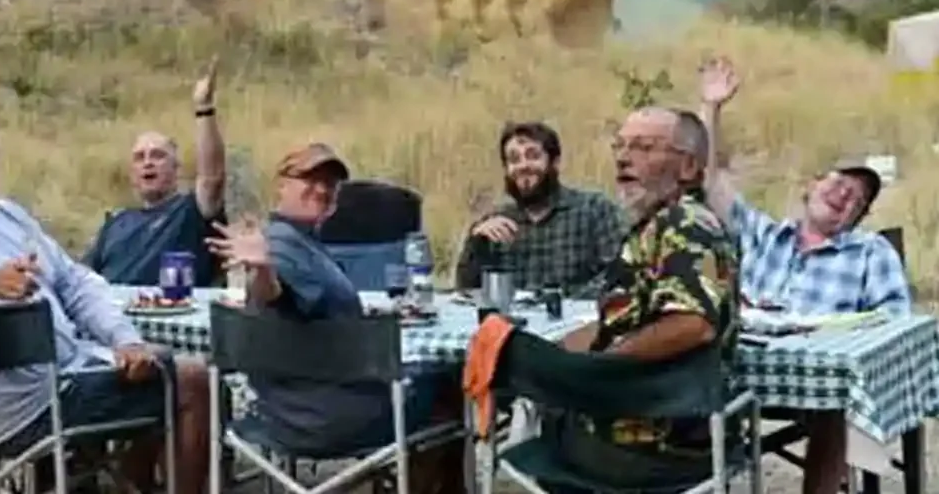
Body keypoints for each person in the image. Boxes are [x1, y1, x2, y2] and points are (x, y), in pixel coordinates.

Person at [0, 106, 210, 494]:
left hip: (69, 379)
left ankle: (119, 479)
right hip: (28, 409)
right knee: (193, 381)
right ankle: (126, 479)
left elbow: (76, 283)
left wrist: (124, 339)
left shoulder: (10, 216)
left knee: (154, 361)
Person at [694, 57, 910, 494]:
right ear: (809, 187)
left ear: (856, 218)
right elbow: (708, 177)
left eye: (858, 197)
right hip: (744, 367)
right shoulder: (762, 234)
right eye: (839, 181)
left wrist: (835, 336)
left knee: (834, 395)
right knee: (679, 367)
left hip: (817, 378)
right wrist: (710, 109)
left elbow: (895, 322)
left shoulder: (870, 251)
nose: (846, 193)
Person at [209, 143, 461, 494]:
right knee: (451, 380)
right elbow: (273, 295)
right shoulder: (282, 246)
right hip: (331, 418)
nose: (322, 189)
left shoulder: (303, 242)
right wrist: (263, 271)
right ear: (281, 185)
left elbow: (296, 310)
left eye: (330, 183)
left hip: (279, 413)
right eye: (309, 179)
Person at [551, 107, 739, 486]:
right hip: (658, 426)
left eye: (643, 147)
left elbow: (693, 324)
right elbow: (629, 320)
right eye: (620, 145)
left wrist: (599, 366)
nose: (623, 157)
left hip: (651, 440)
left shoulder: (683, 223)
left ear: (687, 167)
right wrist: (555, 352)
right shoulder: (657, 225)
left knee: (532, 429)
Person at [82, 61, 229, 287]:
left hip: (173, 314)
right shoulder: (116, 223)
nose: (148, 162)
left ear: (176, 167)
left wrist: (204, 109)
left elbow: (212, 177)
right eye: (140, 158)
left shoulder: (192, 211)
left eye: (158, 155)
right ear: (132, 173)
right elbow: (83, 278)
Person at [453, 121, 627, 297]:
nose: (523, 166)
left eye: (533, 156)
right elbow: (467, 292)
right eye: (514, 159)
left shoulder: (594, 210)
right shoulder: (495, 222)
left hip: (579, 319)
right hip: (512, 322)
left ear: (555, 162)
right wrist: (476, 243)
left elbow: (617, 274)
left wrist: (559, 301)